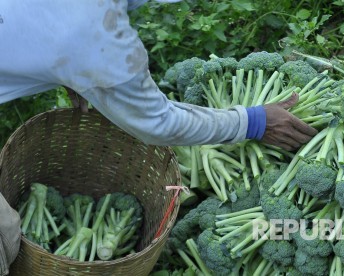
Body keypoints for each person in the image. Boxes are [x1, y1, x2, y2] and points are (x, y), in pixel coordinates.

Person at [0, 0, 318, 273]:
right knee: (4, 234)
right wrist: (255, 122)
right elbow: (157, 123)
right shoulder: (97, 34)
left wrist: (68, 69)